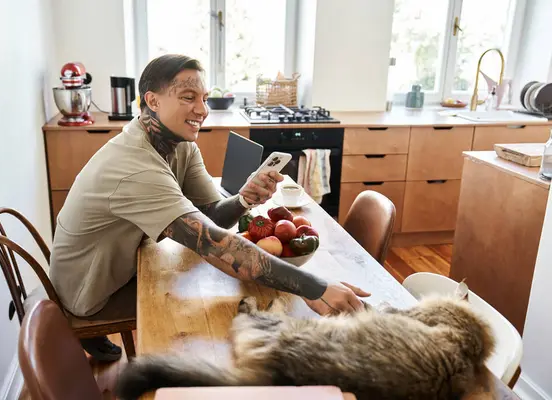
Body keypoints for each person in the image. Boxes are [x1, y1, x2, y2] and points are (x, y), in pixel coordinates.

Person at [49, 54, 370, 361]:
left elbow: (211, 215)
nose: (202, 109)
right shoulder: (133, 165)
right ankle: (97, 337)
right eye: (188, 97)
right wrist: (314, 287)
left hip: (118, 263)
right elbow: (213, 244)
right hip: (90, 292)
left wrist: (244, 199)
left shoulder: (179, 145)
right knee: (209, 317)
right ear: (153, 101)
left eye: (203, 97)